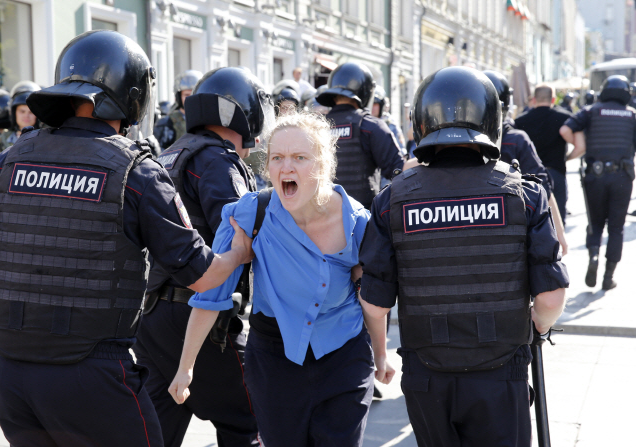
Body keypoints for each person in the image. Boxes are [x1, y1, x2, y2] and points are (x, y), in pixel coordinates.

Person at [0, 30, 253, 447]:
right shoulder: (135, 170)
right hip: (94, 377)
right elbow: (202, 276)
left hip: (14, 378)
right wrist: (238, 252)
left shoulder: (9, 160)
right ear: (132, 95)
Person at [359, 66, 569, 447]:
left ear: (420, 121)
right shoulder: (524, 194)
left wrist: (379, 356)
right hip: (501, 369)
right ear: (493, 120)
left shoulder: (392, 199)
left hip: (426, 375)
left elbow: (374, 304)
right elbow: (551, 297)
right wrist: (538, 326)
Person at [169, 111, 395, 447]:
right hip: (274, 362)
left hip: (344, 357)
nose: (286, 167)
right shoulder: (249, 214)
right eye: (278, 158)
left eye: (299, 158)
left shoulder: (358, 222)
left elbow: (372, 302)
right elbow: (211, 294)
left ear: (322, 165)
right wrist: (185, 367)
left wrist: (380, 355)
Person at [134, 67, 269, 447]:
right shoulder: (218, 160)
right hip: (197, 314)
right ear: (245, 114)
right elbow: (239, 233)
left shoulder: (172, 152)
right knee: (252, 419)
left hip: (151, 316)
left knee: (157, 429)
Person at [560, 75, 636, 290]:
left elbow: (565, 130)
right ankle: (608, 276)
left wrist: (578, 149)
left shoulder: (591, 111)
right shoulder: (632, 116)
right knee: (616, 228)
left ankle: (593, 257)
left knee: (595, 225)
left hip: (595, 175)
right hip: (621, 177)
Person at [483, 70, 568, 256]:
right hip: (513, 234)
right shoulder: (515, 139)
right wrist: (559, 232)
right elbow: (542, 185)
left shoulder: (450, 145)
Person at [317, 62, 410, 209]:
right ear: (365, 91)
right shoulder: (370, 126)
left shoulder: (315, 128)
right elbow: (400, 173)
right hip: (362, 223)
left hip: (320, 219)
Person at [515, 83, 572, 224]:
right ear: (553, 99)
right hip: (556, 173)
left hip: (528, 176)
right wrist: (567, 158)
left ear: (534, 99)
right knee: (558, 221)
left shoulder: (520, 121)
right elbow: (580, 145)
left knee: (531, 221)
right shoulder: (564, 118)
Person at [0, 81, 41, 159]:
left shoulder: (45, 140)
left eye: (31, 112)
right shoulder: (0, 142)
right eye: (22, 111)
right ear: (14, 113)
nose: (26, 116)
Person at [154, 69, 203, 149]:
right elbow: (158, 154)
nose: (190, 99)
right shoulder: (166, 123)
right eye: (187, 95)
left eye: (193, 94)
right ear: (178, 97)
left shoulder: (206, 122)